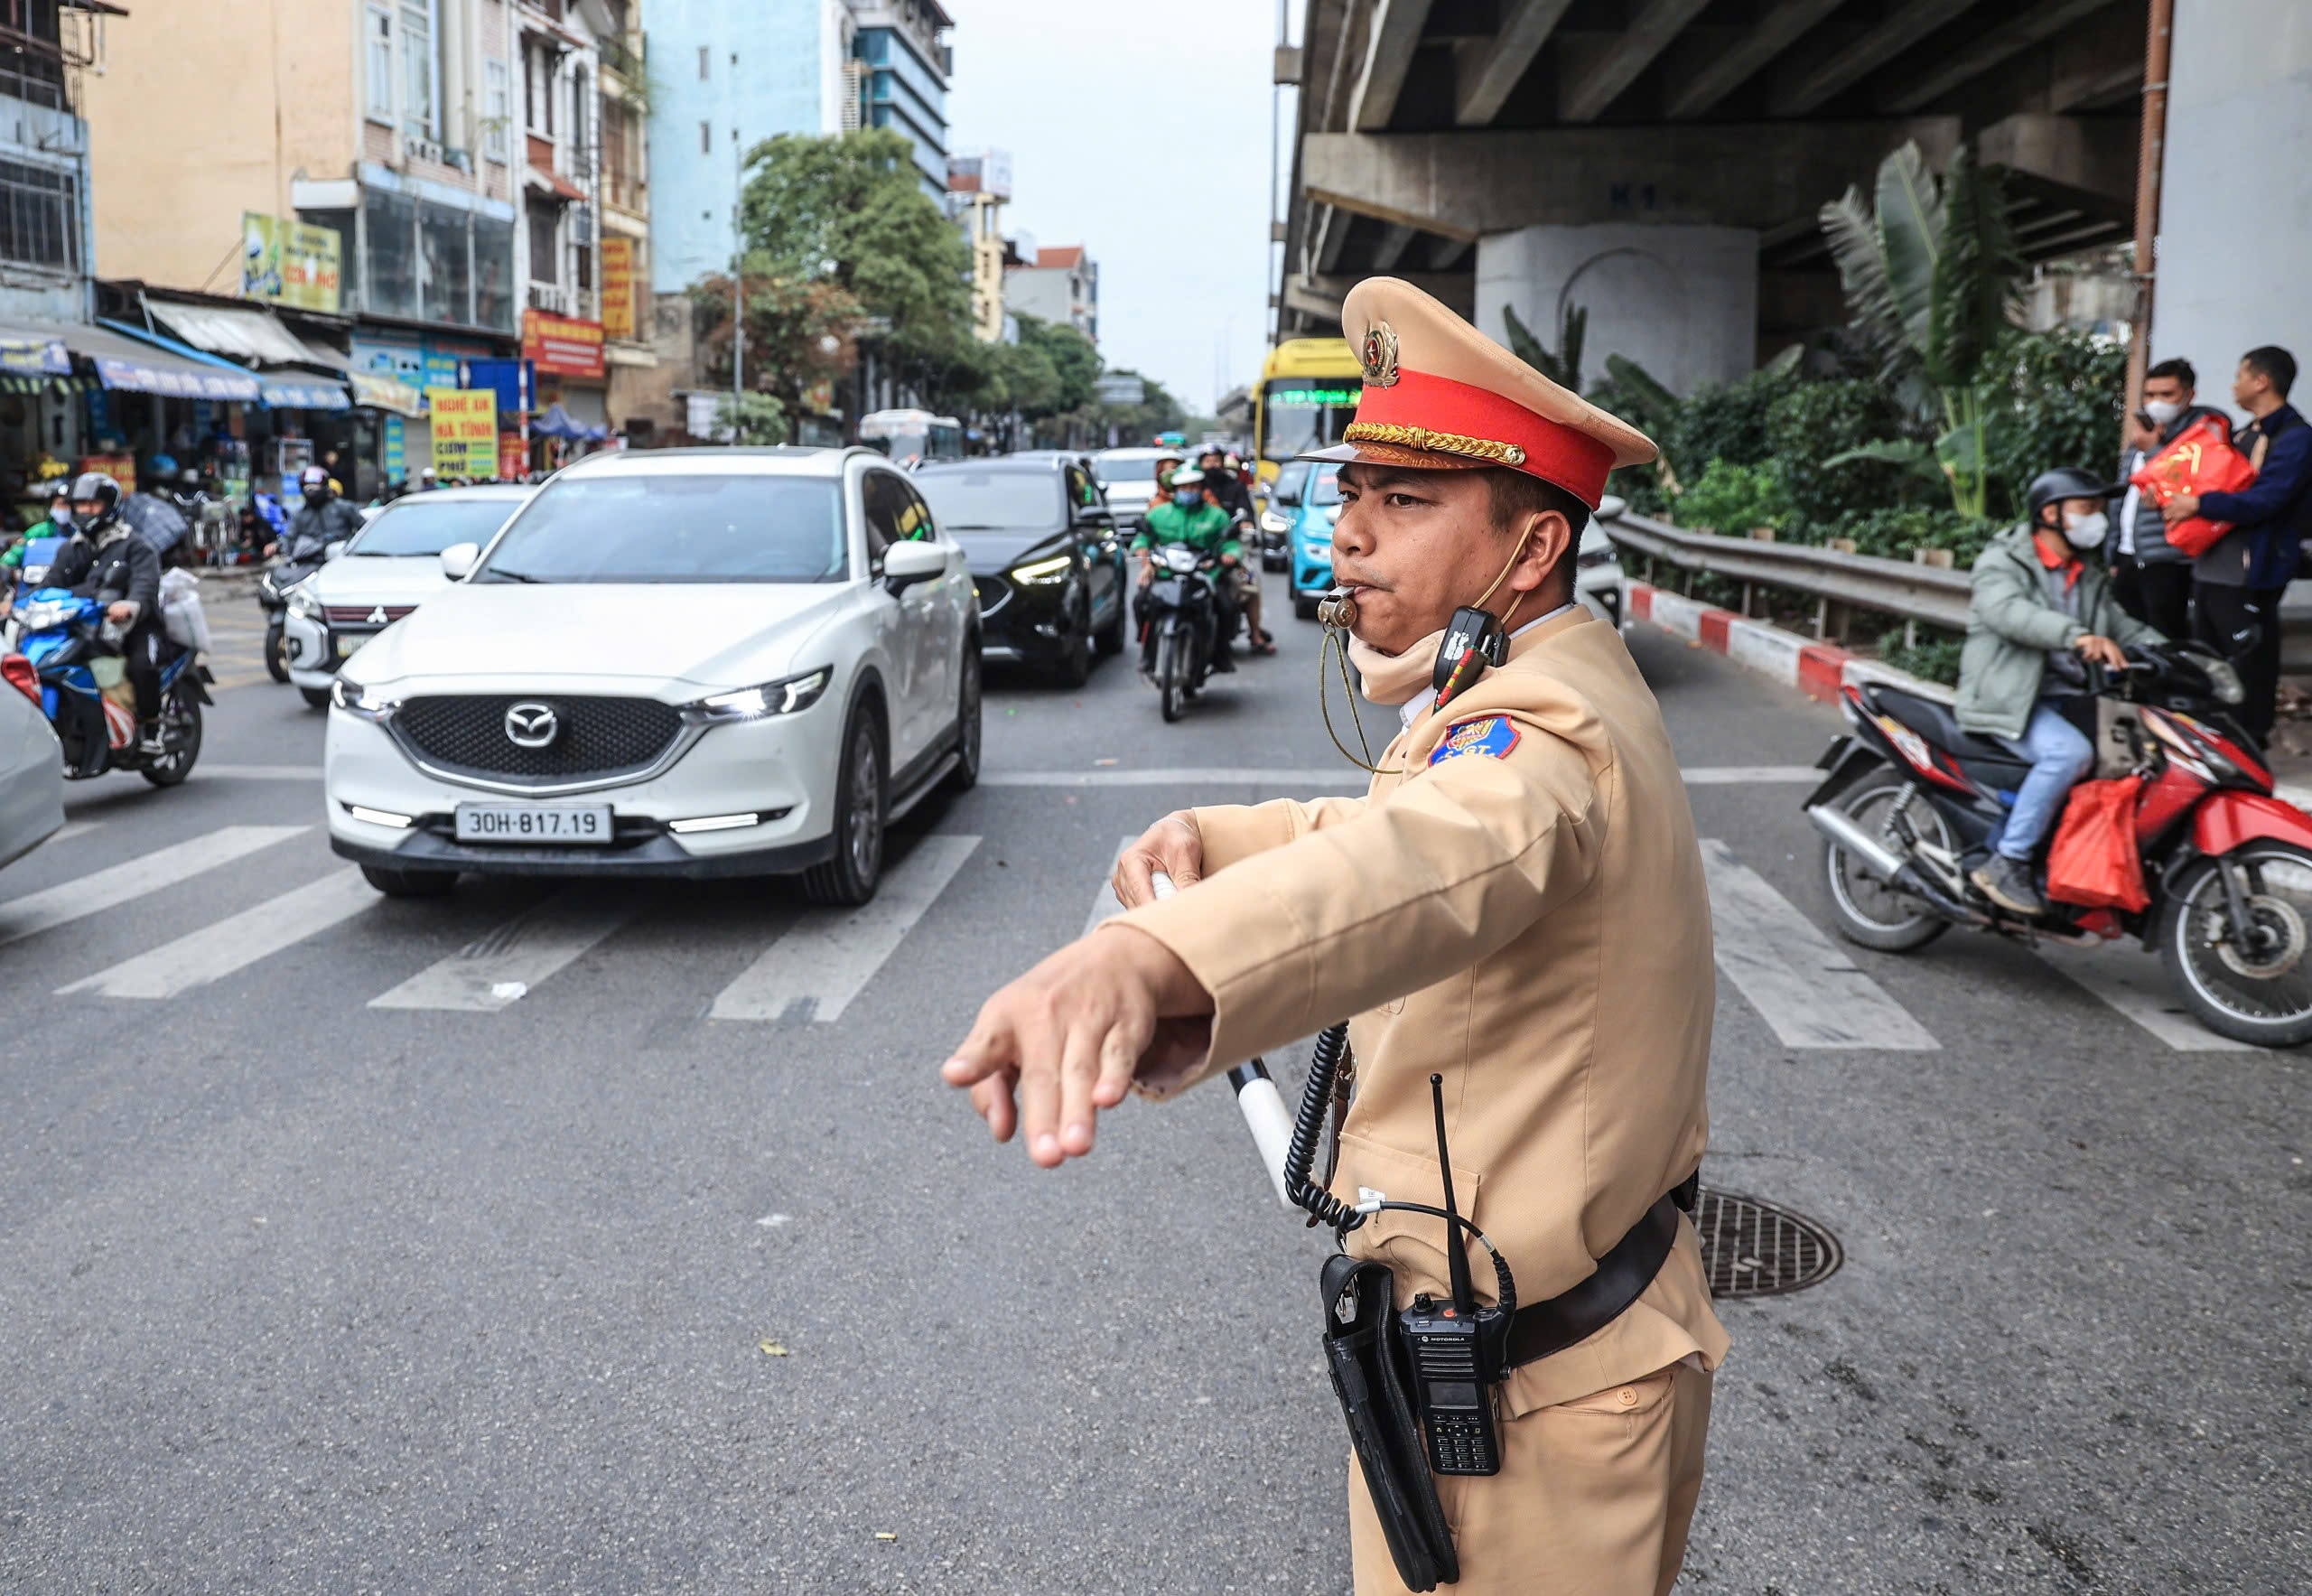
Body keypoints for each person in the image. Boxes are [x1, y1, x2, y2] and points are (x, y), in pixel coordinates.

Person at [944, 277, 1725, 1596]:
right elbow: (1389, 823)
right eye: (1352, 492)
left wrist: (1151, 957)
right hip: (1505, 1361)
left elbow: (1426, 858)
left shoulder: (1543, 734)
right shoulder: (1522, 679)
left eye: (1404, 502)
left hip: (1533, 1407)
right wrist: (1219, 838)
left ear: (1531, 550)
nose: (1349, 534)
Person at [1956, 467, 2164, 916]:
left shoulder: (2084, 574)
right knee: (2069, 755)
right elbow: (2008, 612)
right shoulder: (2003, 562)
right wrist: (2075, 636)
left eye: (2100, 510)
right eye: (2087, 509)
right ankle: (2006, 860)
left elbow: (2120, 626)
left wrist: (2178, 655)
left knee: (2129, 757)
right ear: (2051, 514)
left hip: (2066, 698)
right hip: (2009, 699)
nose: (2099, 520)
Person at [2165, 345, 2312, 742]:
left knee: (2251, 666)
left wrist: (2197, 503)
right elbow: (2217, 484)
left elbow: (2266, 501)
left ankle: (2251, 744)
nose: (2235, 384)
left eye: (2240, 375)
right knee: (2210, 663)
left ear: (2261, 381)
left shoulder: (2295, 438)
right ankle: (2215, 744)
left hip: (2251, 570)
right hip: (2213, 565)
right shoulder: (2245, 433)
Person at [47, 471, 169, 753]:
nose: (85, 511)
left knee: (142, 666)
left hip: (136, 628)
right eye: (80, 505)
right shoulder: (70, 549)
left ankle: (153, 724)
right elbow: (51, 584)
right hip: (85, 626)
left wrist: (130, 605)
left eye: (93, 505)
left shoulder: (135, 545)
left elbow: (145, 584)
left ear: (109, 506)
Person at [2112, 358, 2219, 639]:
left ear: (2189, 395)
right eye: (2150, 395)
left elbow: (2183, 484)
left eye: (2166, 395)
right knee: (2129, 637)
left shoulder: (2202, 432)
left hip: (2168, 558)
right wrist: (2112, 549)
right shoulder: (2144, 430)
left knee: (2166, 636)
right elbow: (2123, 496)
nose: (2156, 402)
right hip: (2129, 554)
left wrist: (2152, 449)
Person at [1133, 464, 1244, 672]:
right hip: (1167, 573)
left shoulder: (1216, 516)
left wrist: (1230, 555)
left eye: (1194, 487)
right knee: (1140, 602)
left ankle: (1221, 654)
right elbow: (1143, 538)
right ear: (1175, 489)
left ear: (1201, 489)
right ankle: (1148, 650)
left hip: (1206, 573)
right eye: (1184, 487)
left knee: (1227, 607)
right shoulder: (1158, 514)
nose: (1189, 491)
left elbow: (1231, 543)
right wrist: (1142, 553)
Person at [1201, 447, 1275, 655]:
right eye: (1207, 461)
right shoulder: (1196, 489)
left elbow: (1247, 516)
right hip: (1195, 552)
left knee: (1250, 583)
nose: (1212, 464)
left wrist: (1244, 525)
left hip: (1228, 548)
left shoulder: (1235, 487)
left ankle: (1255, 634)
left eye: (1216, 460)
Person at [266, 465, 361, 561]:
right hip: (311, 561)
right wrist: (276, 545)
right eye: (306, 485)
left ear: (324, 485)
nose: (310, 488)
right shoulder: (300, 514)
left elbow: (364, 528)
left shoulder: (343, 507)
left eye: (315, 484)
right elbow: (289, 536)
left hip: (341, 560)